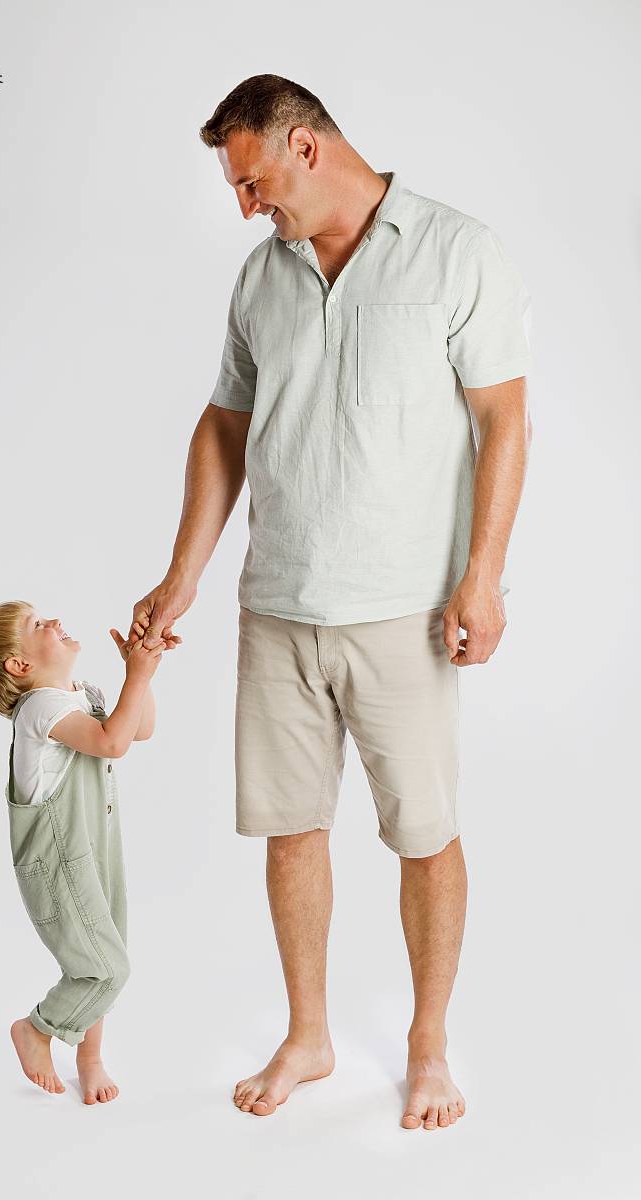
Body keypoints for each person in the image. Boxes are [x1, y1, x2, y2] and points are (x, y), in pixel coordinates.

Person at [130, 74, 532, 1130]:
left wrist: (482, 575)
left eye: (251, 181)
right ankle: (307, 1035)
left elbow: (503, 419)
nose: (243, 206)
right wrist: (183, 574)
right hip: (277, 605)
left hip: (407, 610)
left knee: (423, 834)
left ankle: (427, 1045)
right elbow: (225, 427)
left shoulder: (455, 251)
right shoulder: (261, 277)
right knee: (290, 830)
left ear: (305, 146)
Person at [0, 601, 178, 1103]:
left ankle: (90, 1058)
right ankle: (36, 1029)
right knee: (106, 968)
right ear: (20, 665)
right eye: (38, 625)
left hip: (93, 849)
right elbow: (111, 743)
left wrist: (139, 672)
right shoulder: (39, 707)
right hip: (58, 863)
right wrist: (138, 673)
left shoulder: (81, 694)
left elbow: (139, 729)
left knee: (101, 958)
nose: (56, 622)